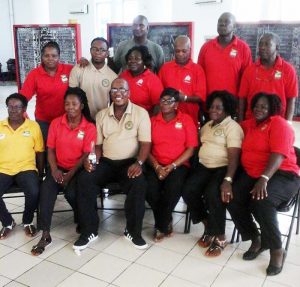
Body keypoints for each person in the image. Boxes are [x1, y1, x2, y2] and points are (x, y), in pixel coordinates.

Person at [73, 78, 151, 251]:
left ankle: (133, 231)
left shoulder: (140, 113)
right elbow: (99, 146)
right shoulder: (101, 115)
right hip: (107, 162)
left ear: (128, 93)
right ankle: (89, 231)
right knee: (85, 179)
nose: (118, 93)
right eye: (114, 90)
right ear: (110, 93)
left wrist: (139, 163)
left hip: (130, 162)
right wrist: (93, 161)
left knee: (139, 183)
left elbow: (145, 144)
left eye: (122, 90)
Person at [226, 93, 300, 275]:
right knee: (231, 196)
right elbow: (231, 131)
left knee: (262, 200)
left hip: (284, 174)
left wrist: (264, 179)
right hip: (254, 173)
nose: (259, 109)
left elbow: (279, 154)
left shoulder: (279, 124)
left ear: (272, 109)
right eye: (256, 106)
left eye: (264, 107)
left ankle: (276, 249)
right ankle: (255, 238)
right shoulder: (248, 124)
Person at [31, 87, 96, 256]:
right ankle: (45, 234)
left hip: (78, 170)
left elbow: (86, 155)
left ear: (82, 105)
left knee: (73, 194)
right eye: (67, 104)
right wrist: (54, 170)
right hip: (58, 168)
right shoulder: (56, 123)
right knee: (46, 191)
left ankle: (81, 219)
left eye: (74, 104)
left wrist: (70, 174)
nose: (70, 107)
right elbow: (50, 149)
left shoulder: (89, 127)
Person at [183, 90, 243, 257]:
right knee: (188, 190)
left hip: (223, 168)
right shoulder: (207, 126)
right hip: (204, 167)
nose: (213, 110)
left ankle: (220, 237)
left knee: (212, 194)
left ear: (227, 109)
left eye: (219, 108)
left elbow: (234, 156)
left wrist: (228, 179)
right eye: (211, 107)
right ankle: (208, 224)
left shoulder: (233, 128)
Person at [146, 88, 198, 242]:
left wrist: (172, 166)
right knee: (150, 189)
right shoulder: (152, 121)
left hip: (179, 165)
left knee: (172, 189)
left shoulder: (186, 120)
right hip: (155, 163)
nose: (165, 103)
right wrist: (157, 167)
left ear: (176, 105)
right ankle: (166, 220)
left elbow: (191, 149)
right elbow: (145, 149)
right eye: (163, 100)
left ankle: (161, 226)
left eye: (169, 101)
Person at [0, 93, 44, 239]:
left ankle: (27, 221)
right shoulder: (0, 126)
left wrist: (40, 173)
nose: (13, 110)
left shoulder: (33, 126)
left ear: (24, 108)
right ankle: (7, 222)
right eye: (10, 107)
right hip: (3, 169)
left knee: (34, 191)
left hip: (26, 168)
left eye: (17, 107)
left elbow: (39, 152)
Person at [20, 41, 73, 143]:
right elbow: (24, 95)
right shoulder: (34, 74)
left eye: (54, 56)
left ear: (59, 56)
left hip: (65, 119)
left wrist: (84, 62)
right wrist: (21, 109)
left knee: (64, 146)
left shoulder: (69, 70)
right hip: (44, 121)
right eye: (46, 56)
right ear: (42, 57)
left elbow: (83, 72)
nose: (50, 59)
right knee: (45, 148)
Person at [238, 32, 298, 122]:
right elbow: (242, 99)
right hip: (252, 122)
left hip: (277, 122)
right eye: (261, 44)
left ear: (277, 47)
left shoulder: (288, 70)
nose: (262, 47)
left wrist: (288, 123)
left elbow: (291, 99)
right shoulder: (249, 70)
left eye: (267, 44)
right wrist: (240, 122)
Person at [198, 12, 252, 97]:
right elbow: (199, 77)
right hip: (209, 104)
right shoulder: (206, 47)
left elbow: (246, 80)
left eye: (227, 21)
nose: (222, 24)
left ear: (234, 27)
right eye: (219, 21)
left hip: (232, 104)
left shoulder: (244, 48)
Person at [159, 35, 206, 126]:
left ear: (189, 49)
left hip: (190, 119)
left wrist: (184, 98)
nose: (180, 54)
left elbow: (201, 97)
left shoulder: (197, 70)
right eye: (177, 51)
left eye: (184, 51)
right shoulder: (165, 68)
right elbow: (159, 94)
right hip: (168, 120)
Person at [69, 37, 117, 119]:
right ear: (90, 50)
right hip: (81, 118)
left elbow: (114, 102)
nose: (98, 52)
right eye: (95, 49)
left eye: (102, 50)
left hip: (103, 119)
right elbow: (71, 95)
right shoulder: (79, 69)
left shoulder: (113, 76)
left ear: (107, 53)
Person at [119, 45, 163, 114]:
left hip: (144, 119)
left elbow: (158, 106)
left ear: (144, 61)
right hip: (123, 118)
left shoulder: (153, 80)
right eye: (130, 58)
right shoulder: (122, 76)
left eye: (137, 59)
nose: (132, 61)